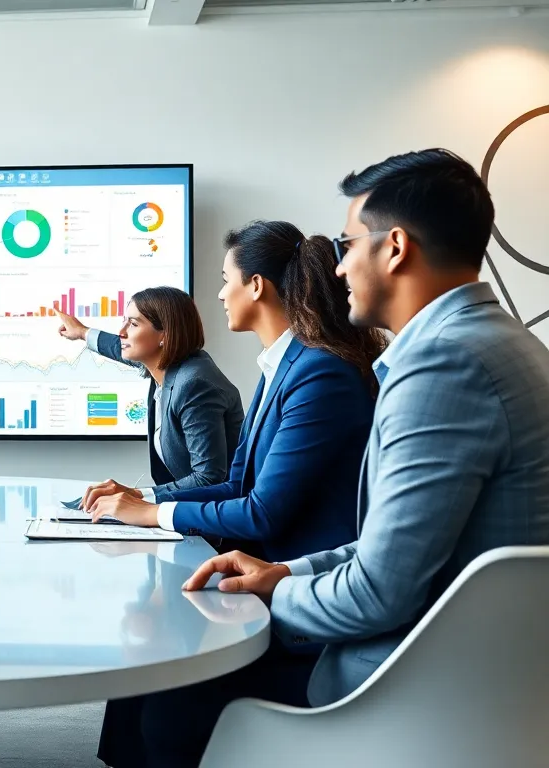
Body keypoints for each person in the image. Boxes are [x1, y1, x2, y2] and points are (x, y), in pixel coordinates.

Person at [184, 150, 549, 724]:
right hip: (479, 679)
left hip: (405, 696)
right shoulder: (498, 341)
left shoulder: (442, 364)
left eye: (348, 246)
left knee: (177, 705)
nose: (336, 269)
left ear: (396, 248)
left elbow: (380, 591)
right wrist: (285, 574)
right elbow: (393, 548)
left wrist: (269, 599)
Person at [90, 221, 386, 768]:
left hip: (298, 594)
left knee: (163, 700)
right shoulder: (284, 367)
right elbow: (240, 482)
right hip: (263, 570)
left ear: (256, 286)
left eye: (225, 279)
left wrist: (155, 513)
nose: (220, 293)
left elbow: (263, 511)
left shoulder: (319, 373)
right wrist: (146, 508)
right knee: (137, 676)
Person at [57, 286, 243, 501]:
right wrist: (82, 332)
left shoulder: (194, 384)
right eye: (124, 321)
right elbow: (119, 348)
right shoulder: (167, 365)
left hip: (215, 523)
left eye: (133, 324)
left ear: (164, 334)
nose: (122, 332)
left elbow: (209, 478)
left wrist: (137, 496)